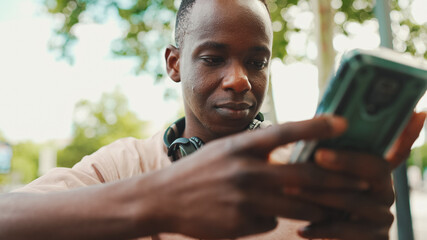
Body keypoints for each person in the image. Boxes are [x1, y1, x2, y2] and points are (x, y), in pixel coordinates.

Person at [1, 0, 425, 239]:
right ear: (174, 63)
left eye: (257, 61)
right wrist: (156, 202)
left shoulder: (307, 172)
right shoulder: (121, 167)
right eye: (213, 58)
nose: (240, 80)